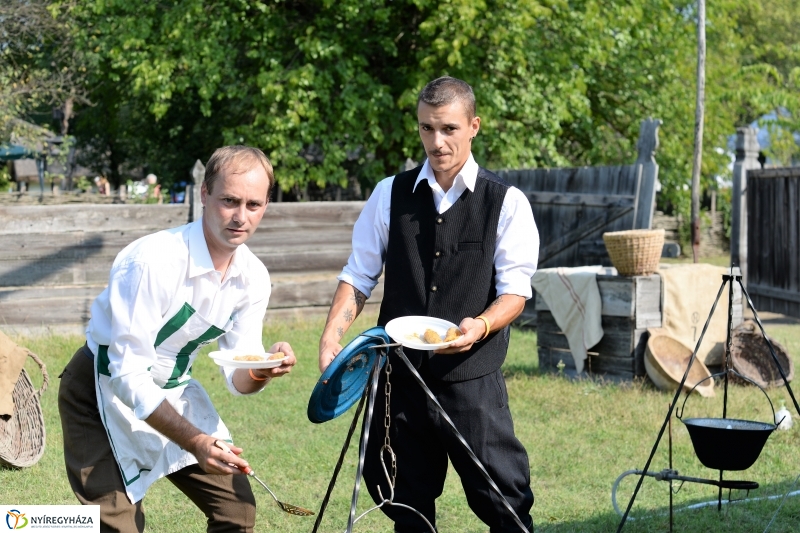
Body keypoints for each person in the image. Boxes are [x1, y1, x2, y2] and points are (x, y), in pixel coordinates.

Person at [318, 77, 539, 532]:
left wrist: (478, 325)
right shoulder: (389, 194)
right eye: (426, 129)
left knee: (504, 499)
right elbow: (358, 275)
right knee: (403, 499)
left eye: (448, 129)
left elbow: (515, 292)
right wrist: (331, 337)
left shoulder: (507, 203)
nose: (436, 142)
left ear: (473, 126)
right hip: (399, 375)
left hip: (472, 376)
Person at [58, 145, 296, 532]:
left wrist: (264, 368)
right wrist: (196, 441)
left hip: (171, 392)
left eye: (254, 205)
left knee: (236, 511)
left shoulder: (253, 277)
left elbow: (239, 373)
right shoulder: (153, 262)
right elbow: (128, 375)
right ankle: (21, 523)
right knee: (116, 525)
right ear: (204, 194)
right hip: (101, 391)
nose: (241, 217)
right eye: (229, 201)